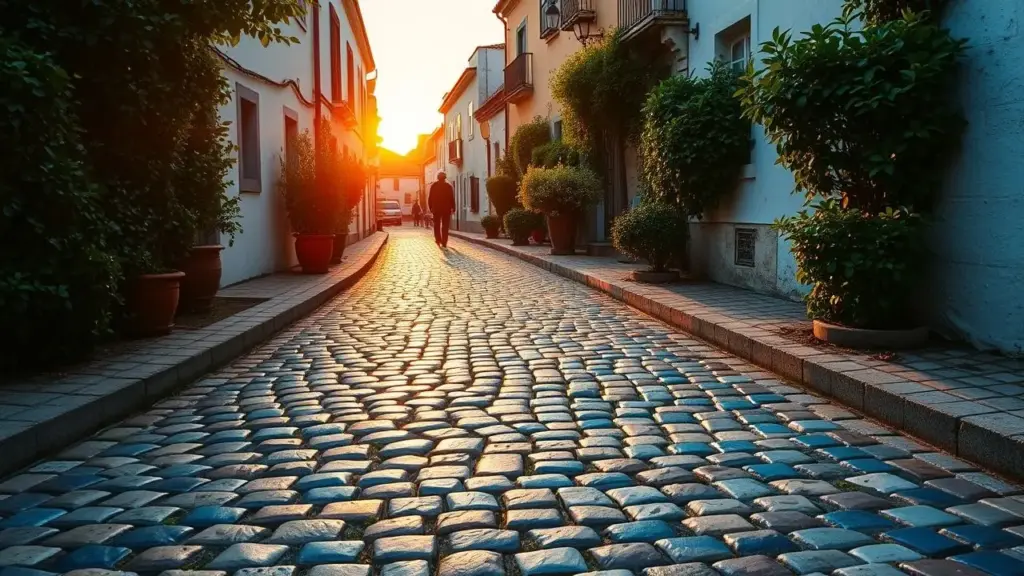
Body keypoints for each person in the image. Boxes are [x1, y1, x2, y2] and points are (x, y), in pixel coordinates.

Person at [427, 172, 455, 247]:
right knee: (445, 226)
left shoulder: (434, 186)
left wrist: (430, 207)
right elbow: (451, 198)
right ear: (445, 178)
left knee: (437, 224)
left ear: (438, 178)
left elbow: (430, 198)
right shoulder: (448, 186)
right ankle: (444, 241)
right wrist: (453, 207)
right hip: (446, 209)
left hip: (436, 208)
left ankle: (438, 239)